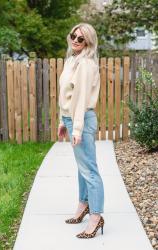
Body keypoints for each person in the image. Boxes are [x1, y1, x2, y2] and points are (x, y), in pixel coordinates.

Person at [57, 23, 105, 239]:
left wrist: (76, 128)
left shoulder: (85, 64)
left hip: (82, 119)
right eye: (73, 36)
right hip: (71, 118)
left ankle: (96, 217)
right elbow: (66, 95)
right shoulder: (71, 61)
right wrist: (62, 120)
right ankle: (83, 205)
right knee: (82, 167)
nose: (75, 40)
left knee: (90, 170)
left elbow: (81, 98)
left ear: (89, 42)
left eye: (81, 39)